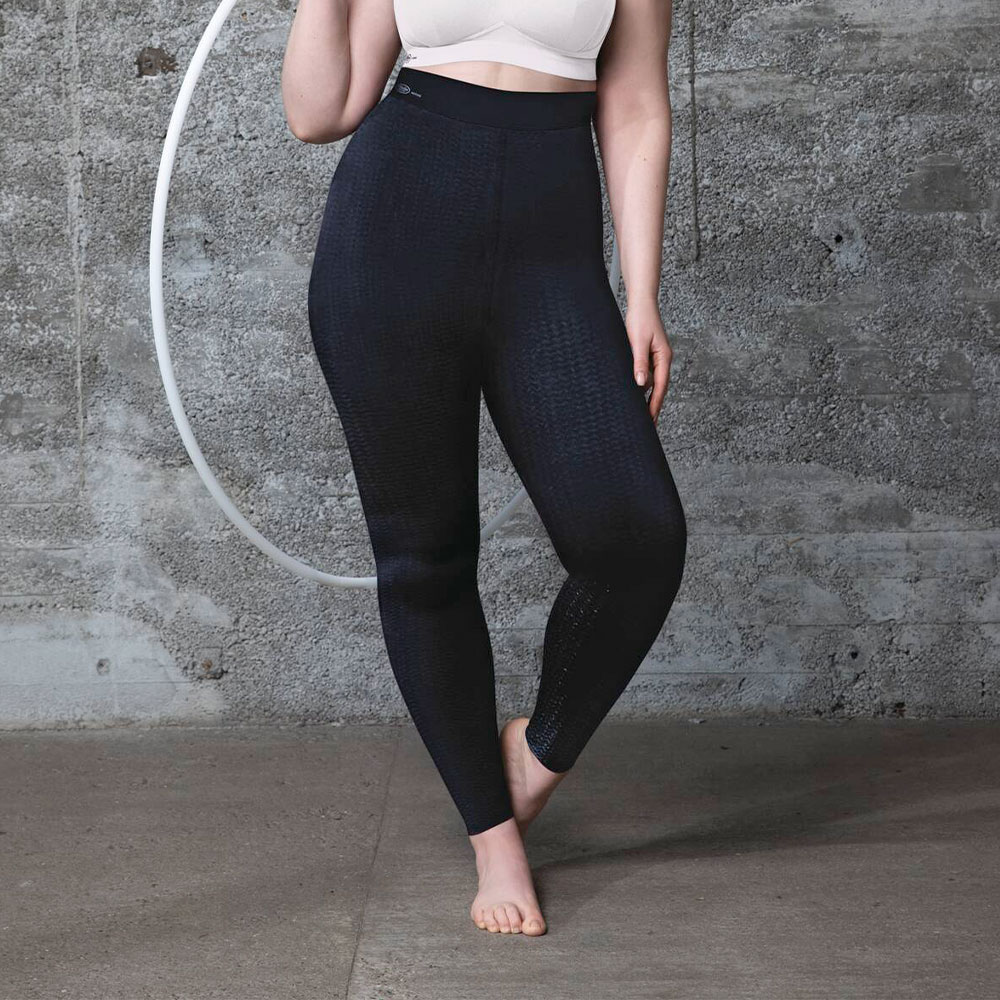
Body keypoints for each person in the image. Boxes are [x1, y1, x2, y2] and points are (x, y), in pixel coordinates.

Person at [281, 0, 685, 937]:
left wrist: (642, 294)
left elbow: (635, 103)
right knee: (425, 557)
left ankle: (530, 765)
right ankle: (494, 837)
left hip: (550, 254)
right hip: (393, 233)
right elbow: (320, 109)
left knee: (636, 537)